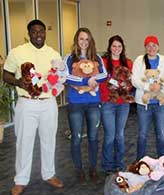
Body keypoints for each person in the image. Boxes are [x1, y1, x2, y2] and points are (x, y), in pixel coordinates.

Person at [3, 19, 63, 195]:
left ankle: (49, 174)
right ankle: (20, 180)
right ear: (29, 33)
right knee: (24, 142)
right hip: (26, 103)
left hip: (48, 103)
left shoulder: (53, 53)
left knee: (49, 140)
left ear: (45, 32)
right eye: (35, 32)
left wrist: (58, 81)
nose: (39, 35)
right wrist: (18, 82)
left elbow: (59, 77)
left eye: (41, 31)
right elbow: (5, 75)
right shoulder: (17, 52)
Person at [65, 27, 107, 184]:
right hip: (75, 103)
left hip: (93, 103)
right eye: (81, 39)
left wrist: (93, 79)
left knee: (93, 137)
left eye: (87, 39)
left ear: (91, 41)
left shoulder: (97, 57)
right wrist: (87, 80)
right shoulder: (69, 58)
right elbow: (66, 77)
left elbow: (104, 75)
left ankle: (93, 168)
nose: (84, 42)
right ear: (77, 40)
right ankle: (78, 169)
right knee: (76, 137)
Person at [131, 35, 164, 160]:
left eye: (154, 45)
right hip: (144, 104)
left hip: (160, 103)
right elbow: (134, 79)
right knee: (142, 134)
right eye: (148, 45)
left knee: (161, 134)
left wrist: (160, 86)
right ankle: (140, 161)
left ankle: (163, 161)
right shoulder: (139, 60)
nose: (151, 48)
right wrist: (149, 87)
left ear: (158, 47)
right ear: (145, 47)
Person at [99, 35, 133, 175]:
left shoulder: (128, 62)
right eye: (114, 46)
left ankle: (119, 164)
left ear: (122, 47)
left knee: (119, 135)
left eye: (119, 46)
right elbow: (101, 82)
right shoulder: (103, 61)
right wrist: (110, 87)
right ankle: (107, 165)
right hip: (108, 102)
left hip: (123, 104)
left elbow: (131, 82)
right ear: (109, 47)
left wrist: (127, 86)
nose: (117, 49)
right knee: (109, 135)